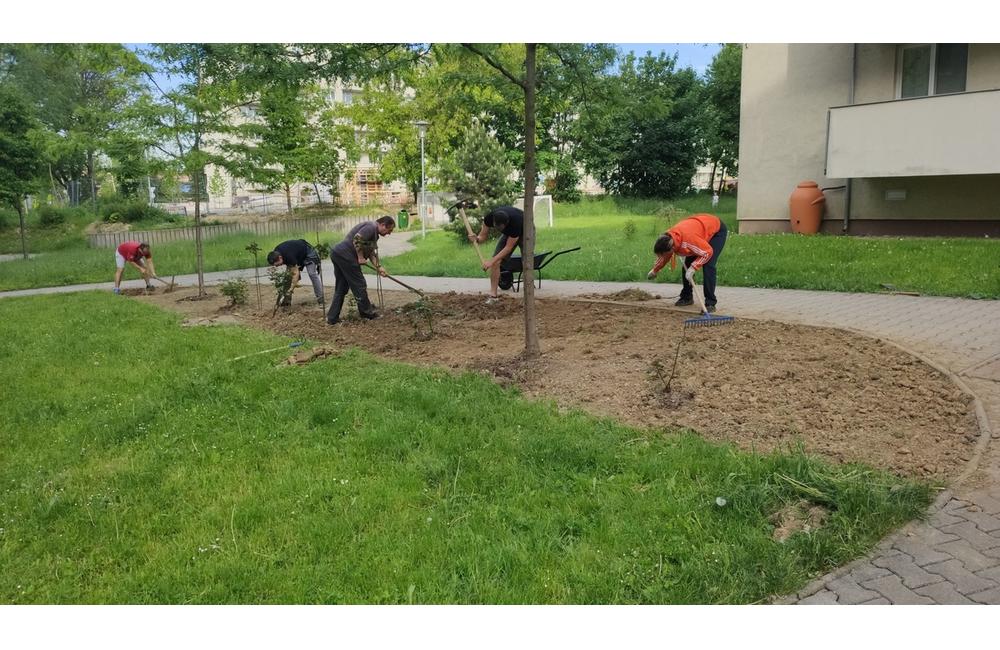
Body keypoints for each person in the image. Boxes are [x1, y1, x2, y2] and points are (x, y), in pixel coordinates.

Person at [646, 213, 728, 313]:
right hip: (697, 231)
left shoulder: (687, 241)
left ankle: (710, 303)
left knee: (708, 265)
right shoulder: (668, 240)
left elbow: (707, 252)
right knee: (687, 265)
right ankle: (687, 297)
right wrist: (655, 270)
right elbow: (665, 256)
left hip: (716, 230)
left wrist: (694, 267)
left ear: (671, 248)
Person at [326, 216, 395, 325]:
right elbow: (357, 239)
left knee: (341, 287)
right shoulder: (370, 227)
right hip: (346, 255)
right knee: (359, 284)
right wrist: (360, 257)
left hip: (338, 253)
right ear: (382, 225)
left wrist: (379, 267)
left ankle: (332, 318)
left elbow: (371, 252)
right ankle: (367, 314)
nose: (389, 233)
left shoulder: (374, 234)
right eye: (389, 230)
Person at [469, 205, 523, 304]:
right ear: (493, 222)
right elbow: (482, 236)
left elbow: (508, 248)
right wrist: (476, 239)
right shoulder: (489, 218)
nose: (499, 230)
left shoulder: (515, 223)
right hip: (509, 233)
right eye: (497, 227)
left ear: (506, 223)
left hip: (525, 231)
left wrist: (490, 261)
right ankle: (493, 296)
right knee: (496, 262)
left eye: (501, 228)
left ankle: (528, 297)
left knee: (527, 262)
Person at [267, 239, 325, 306]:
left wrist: (291, 289)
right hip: (297, 255)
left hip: (308, 253)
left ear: (280, 258)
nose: (277, 266)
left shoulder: (289, 256)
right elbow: (291, 271)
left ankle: (321, 300)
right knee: (287, 278)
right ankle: (286, 302)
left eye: (278, 264)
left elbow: (296, 273)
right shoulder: (276, 253)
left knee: (312, 274)